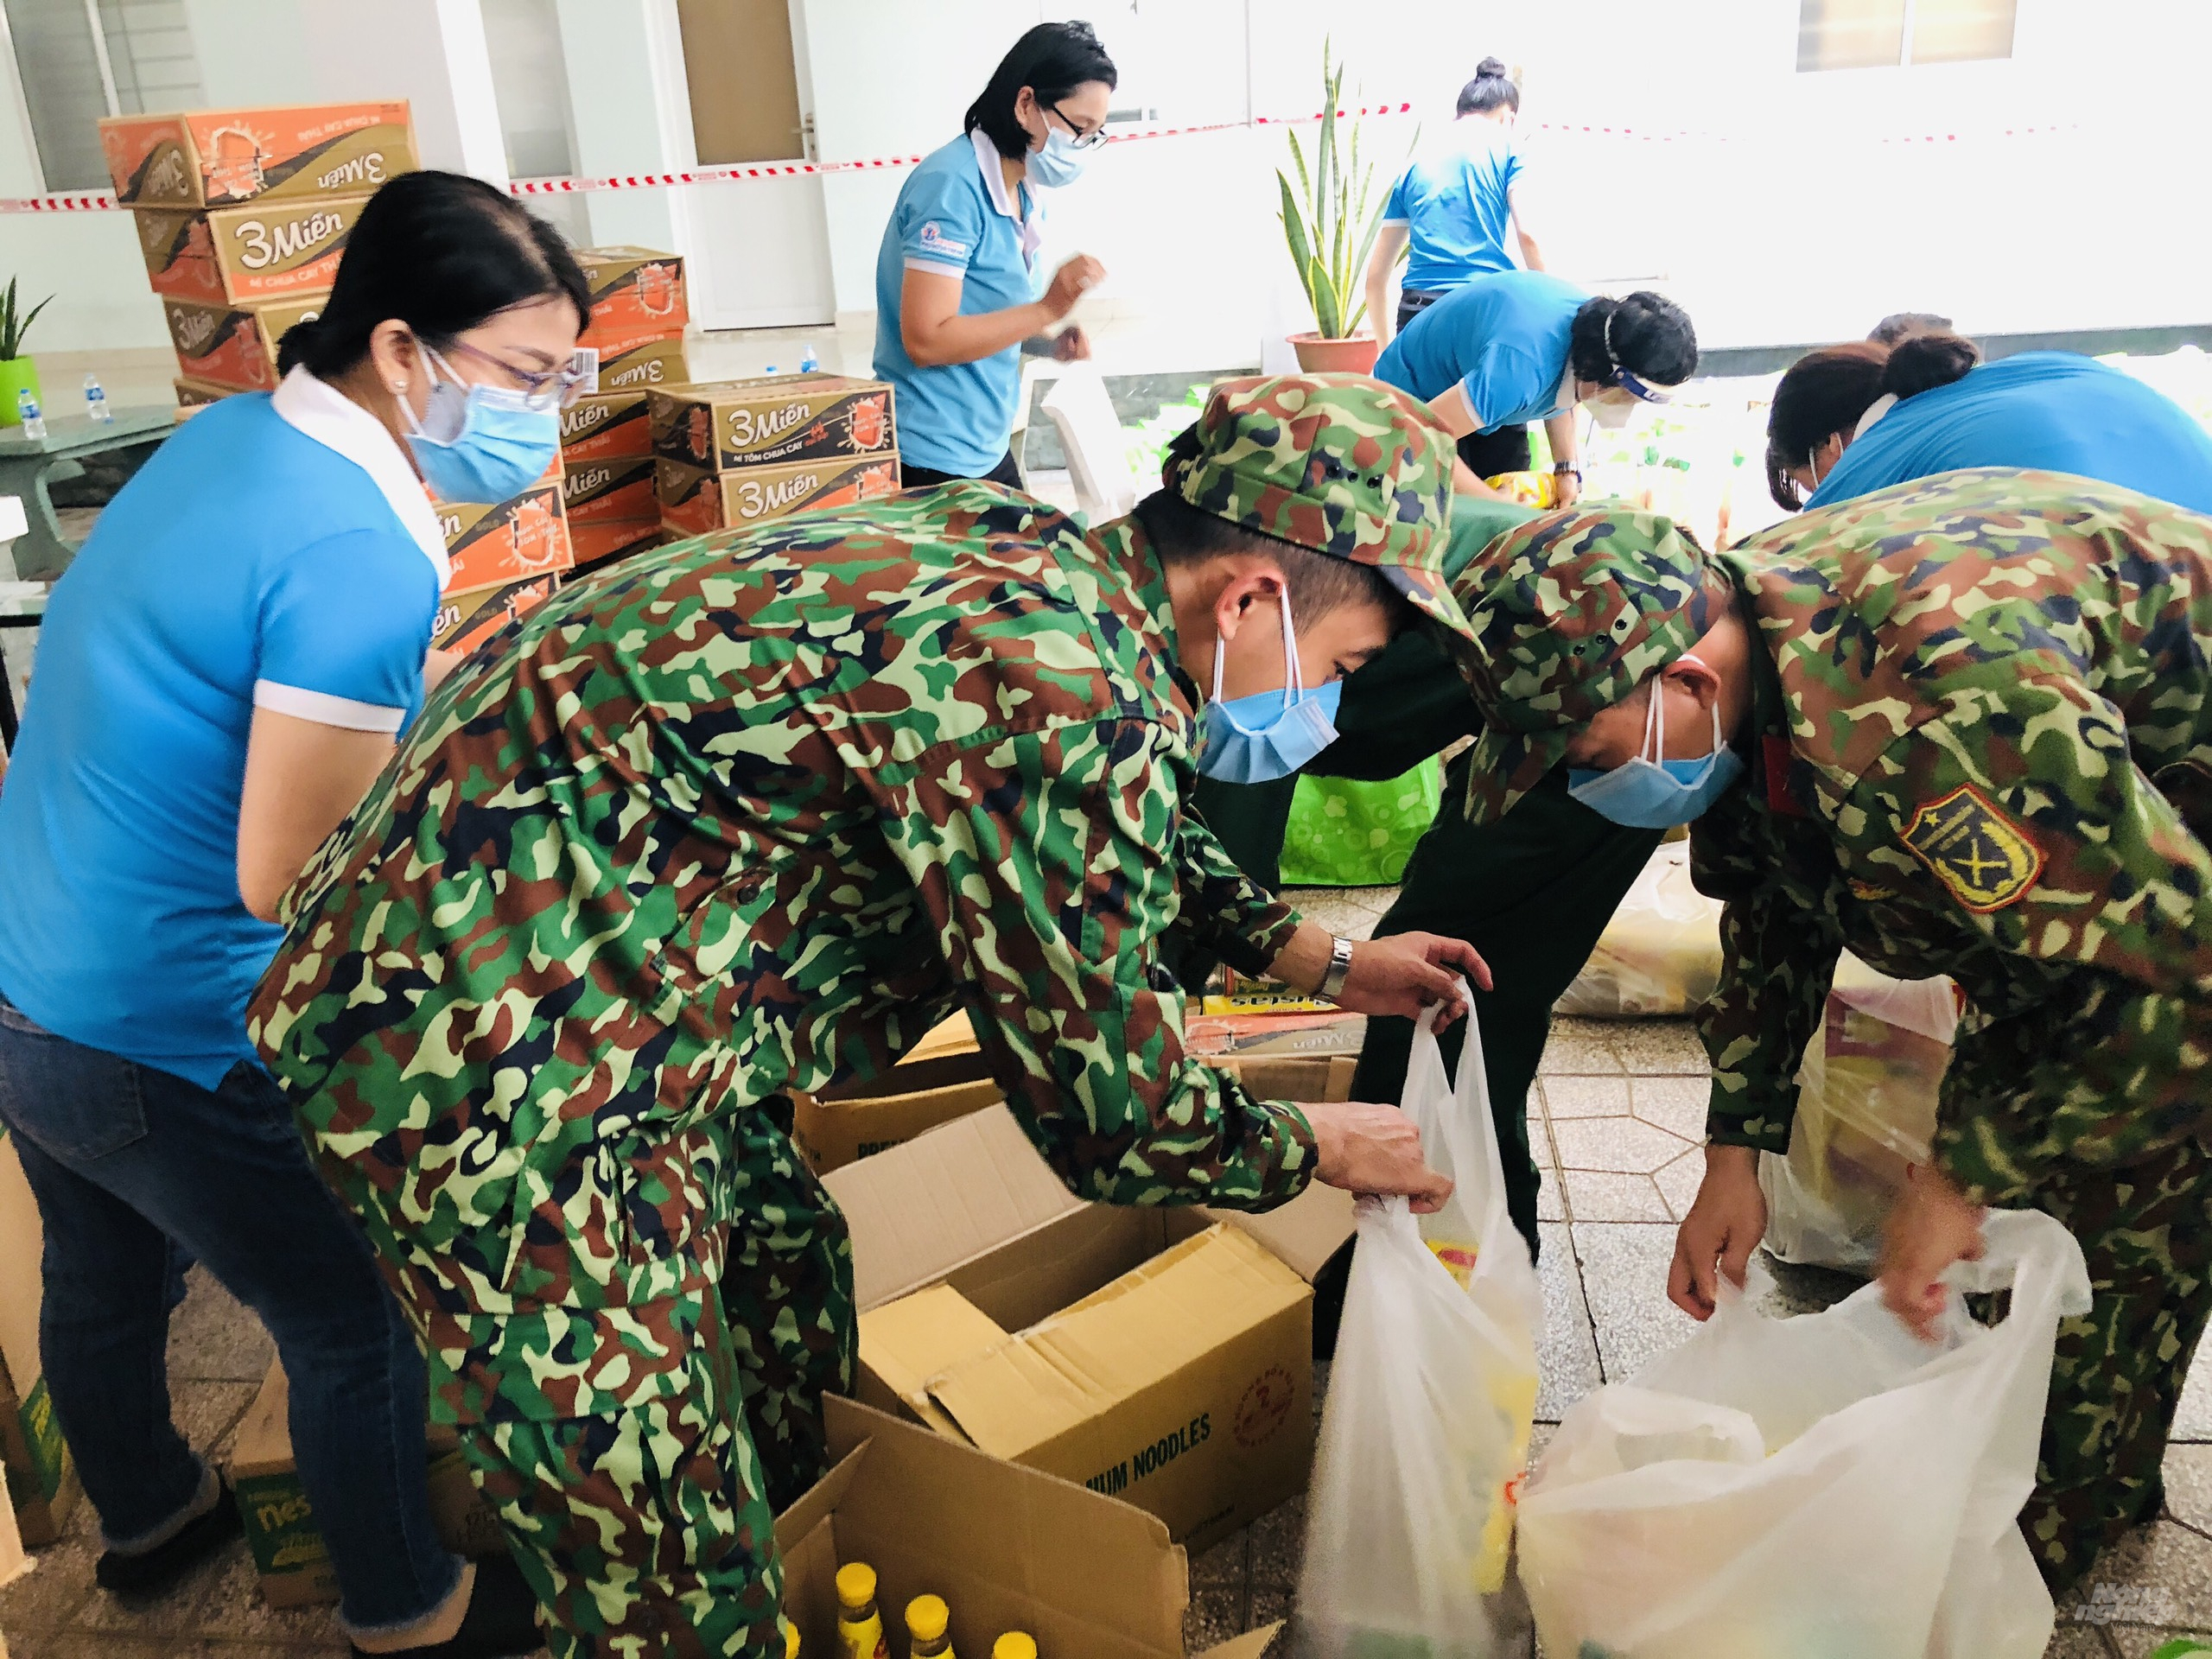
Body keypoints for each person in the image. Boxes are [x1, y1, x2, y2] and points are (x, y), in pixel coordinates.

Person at [249, 374, 1493, 1656]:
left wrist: (1324, 961)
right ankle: (681, 1583)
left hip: (584, 971)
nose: (1329, 701)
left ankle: (791, 1548)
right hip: (477, 1057)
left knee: (782, 1262)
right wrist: (1322, 1149)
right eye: (1342, 664)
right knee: (667, 1566)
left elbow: (1122, 833)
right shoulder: (1056, 682)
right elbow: (1114, 1115)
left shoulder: (1044, 566)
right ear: (1249, 600)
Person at [0, 171, 593, 1656]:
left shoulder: (232, 440)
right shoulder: (353, 552)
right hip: (166, 1025)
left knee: (103, 1266)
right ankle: (410, 1610)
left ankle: (143, 1520)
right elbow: (293, 877)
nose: (547, 415)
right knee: (350, 1319)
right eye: (525, 377)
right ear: (404, 351)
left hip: (31, 968)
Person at [1448, 467, 2212, 1596]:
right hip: (2109, 865)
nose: (1580, 790)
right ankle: (2014, 1469)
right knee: (2018, 1170)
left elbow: (2172, 987)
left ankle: (2048, 1534)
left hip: (2174, 914)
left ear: (1687, 680)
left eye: (1591, 761)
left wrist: (1958, 1180)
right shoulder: (1752, 647)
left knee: (2120, 1189)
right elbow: (1772, 901)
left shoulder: (1952, 704)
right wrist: (1732, 1151)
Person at [874, 20, 1114, 488]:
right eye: (1078, 128)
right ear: (1027, 104)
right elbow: (926, 341)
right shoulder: (951, 189)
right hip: (933, 455)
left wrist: (1047, 341)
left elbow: (983, 315)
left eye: (1095, 134)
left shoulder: (1022, 189)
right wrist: (1047, 307)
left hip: (983, 443)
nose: (1082, 146)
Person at [1767, 332, 2212, 514]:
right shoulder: (2046, 365)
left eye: (1812, 484)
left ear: (1829, 446)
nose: (1822, 498)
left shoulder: (1865, 473)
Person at [1372, 272, 1697, 500]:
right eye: (1632, 398)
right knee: (1456, 517)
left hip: (1482, 388)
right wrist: (1496, 506)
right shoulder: (1518, 370)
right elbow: (1421, 438)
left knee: (1505, 503)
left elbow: (1565, 390)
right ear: (1610, 375)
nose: (1629, 407)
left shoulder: (1596, 331)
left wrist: (1566, 470)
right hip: (1412, 400)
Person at [1363, 58, 1544, 348]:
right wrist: (1555, 306)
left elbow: (1375, 278)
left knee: (1419, 397)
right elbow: (1529, 236)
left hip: (1418, 313)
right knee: (1476, 395)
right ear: (1509, 117)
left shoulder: (1414, 162)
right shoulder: (1510, 147)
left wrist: (1387, 354)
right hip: (1480, 309)